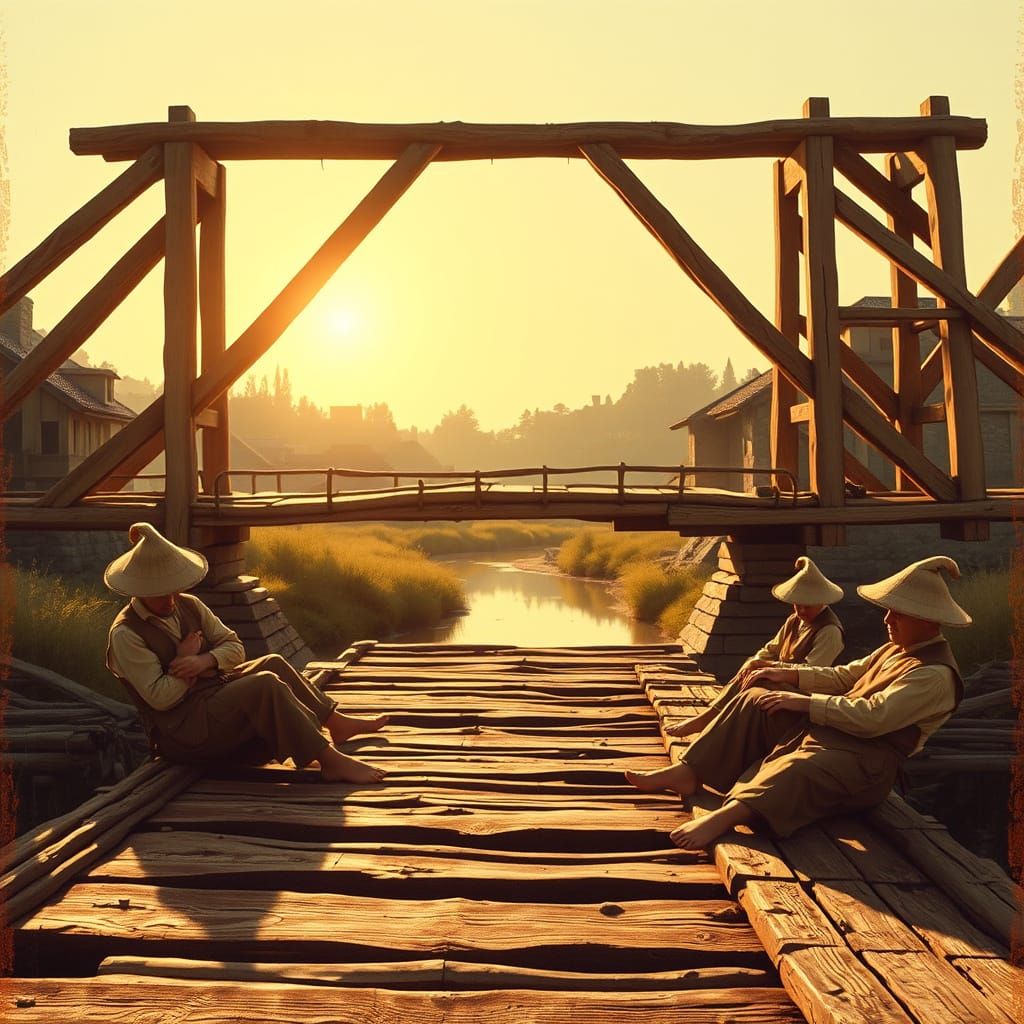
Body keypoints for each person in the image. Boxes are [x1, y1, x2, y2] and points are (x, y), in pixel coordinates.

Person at [627, 556, 968, 850]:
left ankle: (728, 816)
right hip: (837, 733)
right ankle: (689, 772)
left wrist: (804, 703)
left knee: (802, 764)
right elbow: (845, 677)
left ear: (928, 621)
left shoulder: (933, 675)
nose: (887, 620)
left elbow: (874, 717)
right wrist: (787, 677)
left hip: (869, 763)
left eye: (898, 615)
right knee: (758, 699)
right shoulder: (895, 648)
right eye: (890, 612)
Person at [105, 522, 387, 783]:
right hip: (183, 733)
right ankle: (329, 760)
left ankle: (334, 722)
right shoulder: (127, 634)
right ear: (140, 590)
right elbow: (162, 698)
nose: (171, 599)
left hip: (211, 696)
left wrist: (204, 660)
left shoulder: (189, 605)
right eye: (160, 593)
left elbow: (235, 647)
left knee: (273, 663)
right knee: (263, 685)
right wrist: (183, 663)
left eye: (174, 590)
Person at [667, 556, 844, 739]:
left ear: (822, 601)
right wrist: (755, 662)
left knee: (758, 680)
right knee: (751, 670)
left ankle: (712, 721)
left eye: (807, 606)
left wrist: (772, 669)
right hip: (783, 679)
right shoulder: (795, 620)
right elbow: (772, 649)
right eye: (797, 605)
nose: (801, 611)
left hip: (803, 695)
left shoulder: (829, 631)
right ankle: (715, 718)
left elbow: (813, 673)